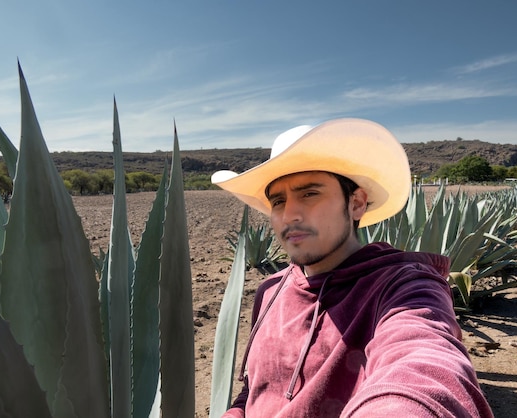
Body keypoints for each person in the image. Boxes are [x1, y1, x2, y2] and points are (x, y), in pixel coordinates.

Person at [211, 118, 494, 417]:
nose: (289, 214)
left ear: (357, 203)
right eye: (278, 201)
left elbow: (423, 363)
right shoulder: (270, 291)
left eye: (310, 193)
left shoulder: (404, 287)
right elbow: (255, 391)